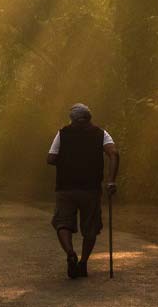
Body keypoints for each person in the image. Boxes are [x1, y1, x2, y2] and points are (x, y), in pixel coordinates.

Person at [47, 103, 119, 279]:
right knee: (90, 227)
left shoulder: (63, 133)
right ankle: (84, 262)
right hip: (90, 189)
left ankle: (70, 252)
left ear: (72, 119)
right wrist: (111, 181)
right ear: (89, 118)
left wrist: (68, 160)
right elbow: (114, 154)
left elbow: (51, 158)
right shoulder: (101, 133)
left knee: (63, 223)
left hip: (66, 188)